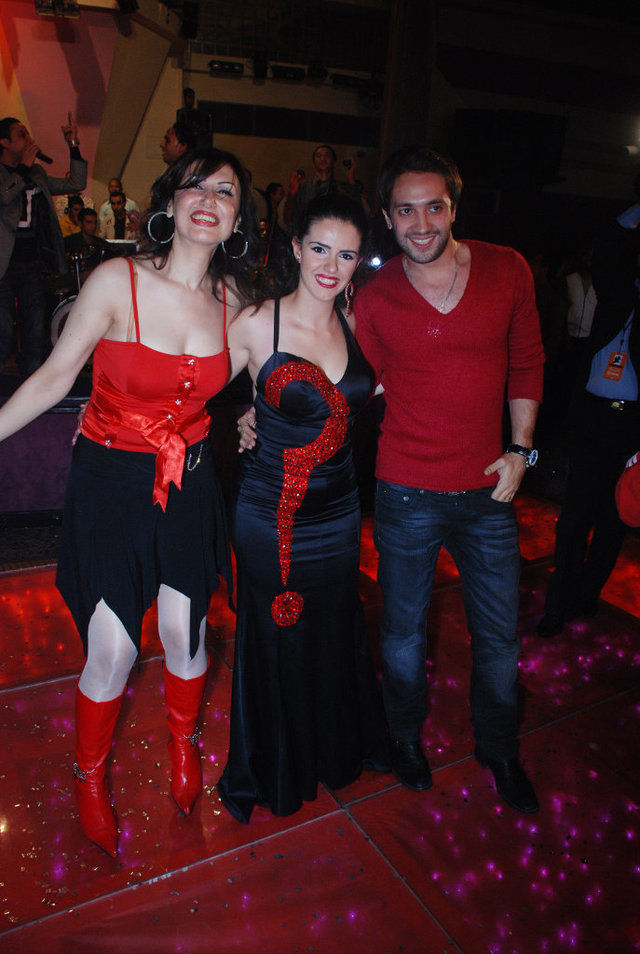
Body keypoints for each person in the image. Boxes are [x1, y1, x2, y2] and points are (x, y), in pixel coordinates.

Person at [0, 146, 259, 856]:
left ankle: (183, 743)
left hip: (190, 482)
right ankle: (89, 776)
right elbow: (54, 378)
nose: (208, 200)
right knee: (112, 651)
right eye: (195, 186)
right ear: (169, 201)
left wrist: (256, 414)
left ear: (239, 217)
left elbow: (283, 370)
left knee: (185, 634)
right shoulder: (119, 281)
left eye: (226, 192)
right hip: (111, 481)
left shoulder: (239, 305)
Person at [353, 145, 544, 813]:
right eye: (405, 211)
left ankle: (498, 746)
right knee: (403, 636)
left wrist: (521, 449)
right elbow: (354, 381)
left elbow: (527, 360)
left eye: (433, 207)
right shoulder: (375, 296)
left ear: (454, 207)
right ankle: (404, 737)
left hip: (488, 490)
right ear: (387, 218)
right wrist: (268, 414)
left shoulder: (507, 268)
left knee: (499, 637)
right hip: (405, 489)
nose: (421, 223)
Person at [217, 192, 389, 823]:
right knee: (276, 634)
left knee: (334, 628)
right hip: (270, 515)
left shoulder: (359, 322)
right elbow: (191, 389)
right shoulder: (254, 323)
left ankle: (331, 750)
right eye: (320, 248)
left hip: (341, 513)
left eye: (347, 255)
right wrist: (242, 418)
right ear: (295, 248)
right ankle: (276, 768)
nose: (331, 266)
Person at [536, 199, 640, 638]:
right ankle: (556, 607)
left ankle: (584, 598)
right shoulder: (618, 291)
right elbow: (609, 243)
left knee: (612, 522)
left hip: (631, 428)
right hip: (593, 420)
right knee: (574, 519)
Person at [0, 112, 87, 374]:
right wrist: (23, 168)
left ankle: (31, 387)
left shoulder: (36, 173)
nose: (29, 139)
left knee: (35, 333)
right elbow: (4, 196)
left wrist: (73, 144)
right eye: (21, 134)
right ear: (4, 142)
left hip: (33, 264)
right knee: (3, 332)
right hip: (4, 265)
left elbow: (76, 182)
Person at [283, 144, 365, 226]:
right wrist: (292, 195)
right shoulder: (304, 188)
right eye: (318, 156)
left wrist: (351, 178)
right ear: (313, 163)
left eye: (327, 155)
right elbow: (288, 220)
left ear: (334, 163)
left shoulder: (342, 188)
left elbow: (357, 213)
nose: (322, 159)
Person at [64, 207, 113, 275]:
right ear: (80, 223)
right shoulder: (69, 242)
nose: (93, 226)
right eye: (89, 222)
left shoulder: (101, 244)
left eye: (95, 222)